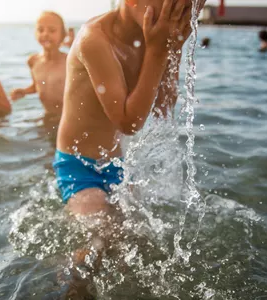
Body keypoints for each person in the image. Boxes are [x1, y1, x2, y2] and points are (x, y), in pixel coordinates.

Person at [54, 0, 202, 216]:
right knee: (99, 235)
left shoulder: (153, 40)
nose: (179, 17)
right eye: (174, 7)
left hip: (117, 164)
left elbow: (163, 108)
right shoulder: (95, 39)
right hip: (78, 166)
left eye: (186, 10)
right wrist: (158, 51)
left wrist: (173, 48)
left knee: (137, 234)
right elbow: (128, 123)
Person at [10, 11, 68, 120]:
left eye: (52, 30)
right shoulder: (33, 61)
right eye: (41, 30)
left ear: (63, 35)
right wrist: (24, 91)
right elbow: (38, 86)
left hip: (68, 119)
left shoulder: (69, 62)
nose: (45, 34)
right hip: (48, 115)